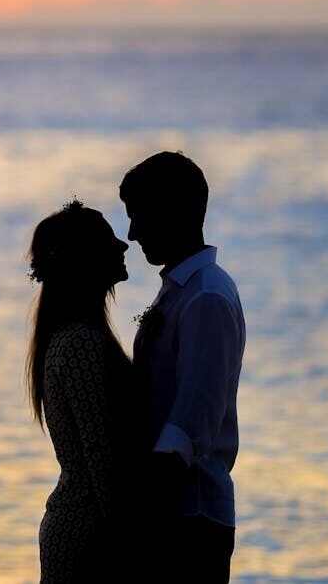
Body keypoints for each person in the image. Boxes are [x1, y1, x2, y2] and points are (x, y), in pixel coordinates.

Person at [120, 151, 246, 584]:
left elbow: (192, 423)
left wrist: (138, 504)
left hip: (189, 516)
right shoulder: (183, 290)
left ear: (178, 212)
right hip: (176, 514)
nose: (132, 234)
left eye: (140, 215)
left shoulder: (205, 297)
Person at [26, 199, 141, 583]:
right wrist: (132, 541)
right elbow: (100, 453)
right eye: (109, 240)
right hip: (89, 536)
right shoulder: (80, 342)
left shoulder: (73, 337)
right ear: (86, 260)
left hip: (83, 528)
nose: (123, 246)